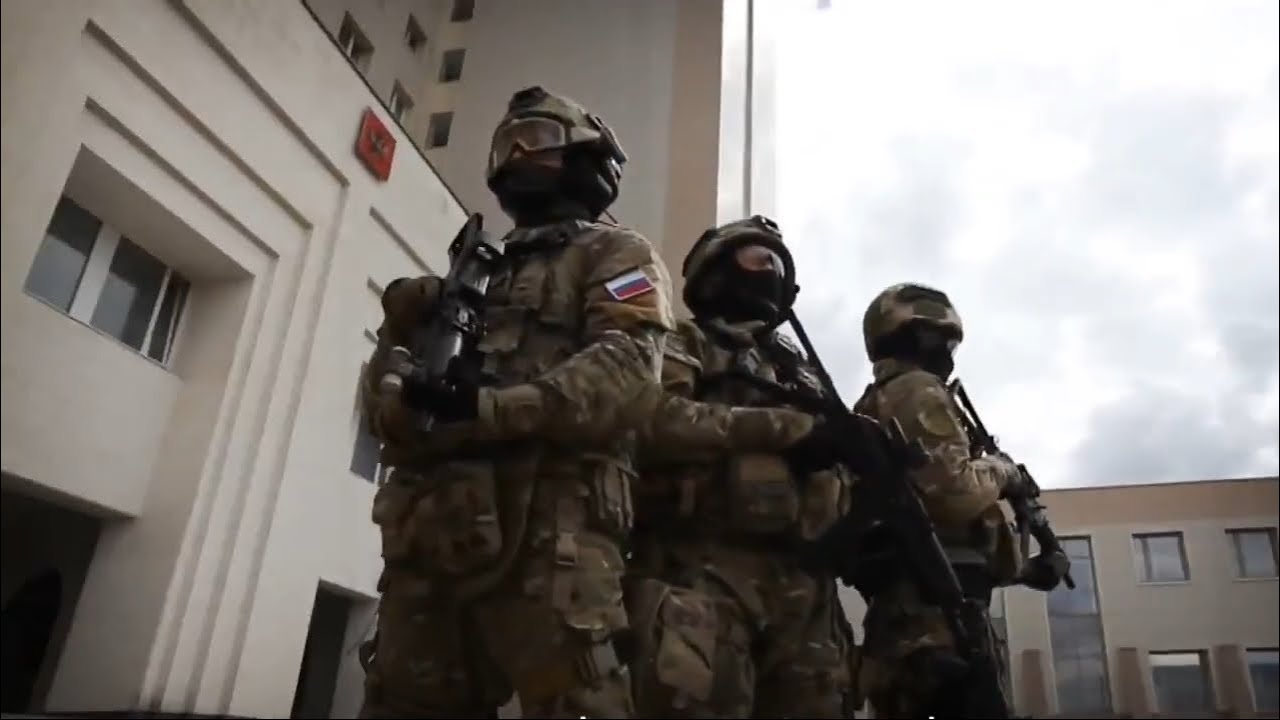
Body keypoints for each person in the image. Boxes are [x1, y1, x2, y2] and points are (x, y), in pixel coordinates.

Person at [357, 86, 675, 719]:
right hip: (437, 536)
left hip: (554, 540)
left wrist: (490, 408)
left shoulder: (615, 253)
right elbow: (381, 411)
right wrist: (401, 356)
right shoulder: (469, 281)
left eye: (541, 141)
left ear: (587, 161)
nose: (521, 155)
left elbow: (629, 371)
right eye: (509, 144)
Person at [626, 215, 856, 718]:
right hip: (704, 571)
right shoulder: (685, 341)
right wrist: (789, 431)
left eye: (778, 264)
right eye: (757, 258)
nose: (770, 270)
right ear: (715, 274)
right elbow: (654, 418)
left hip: (807, 587)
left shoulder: (804, 373)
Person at [851, 282, 1070, 717]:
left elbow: (945, 535)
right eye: (933, 337)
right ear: (898, 336)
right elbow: (952, 494)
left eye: (950, 341)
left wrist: (1025, 569)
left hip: (930, 610)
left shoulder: (886, 398)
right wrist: (1003, 471)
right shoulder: (915, 389)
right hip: (931, 620)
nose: (945, 350)